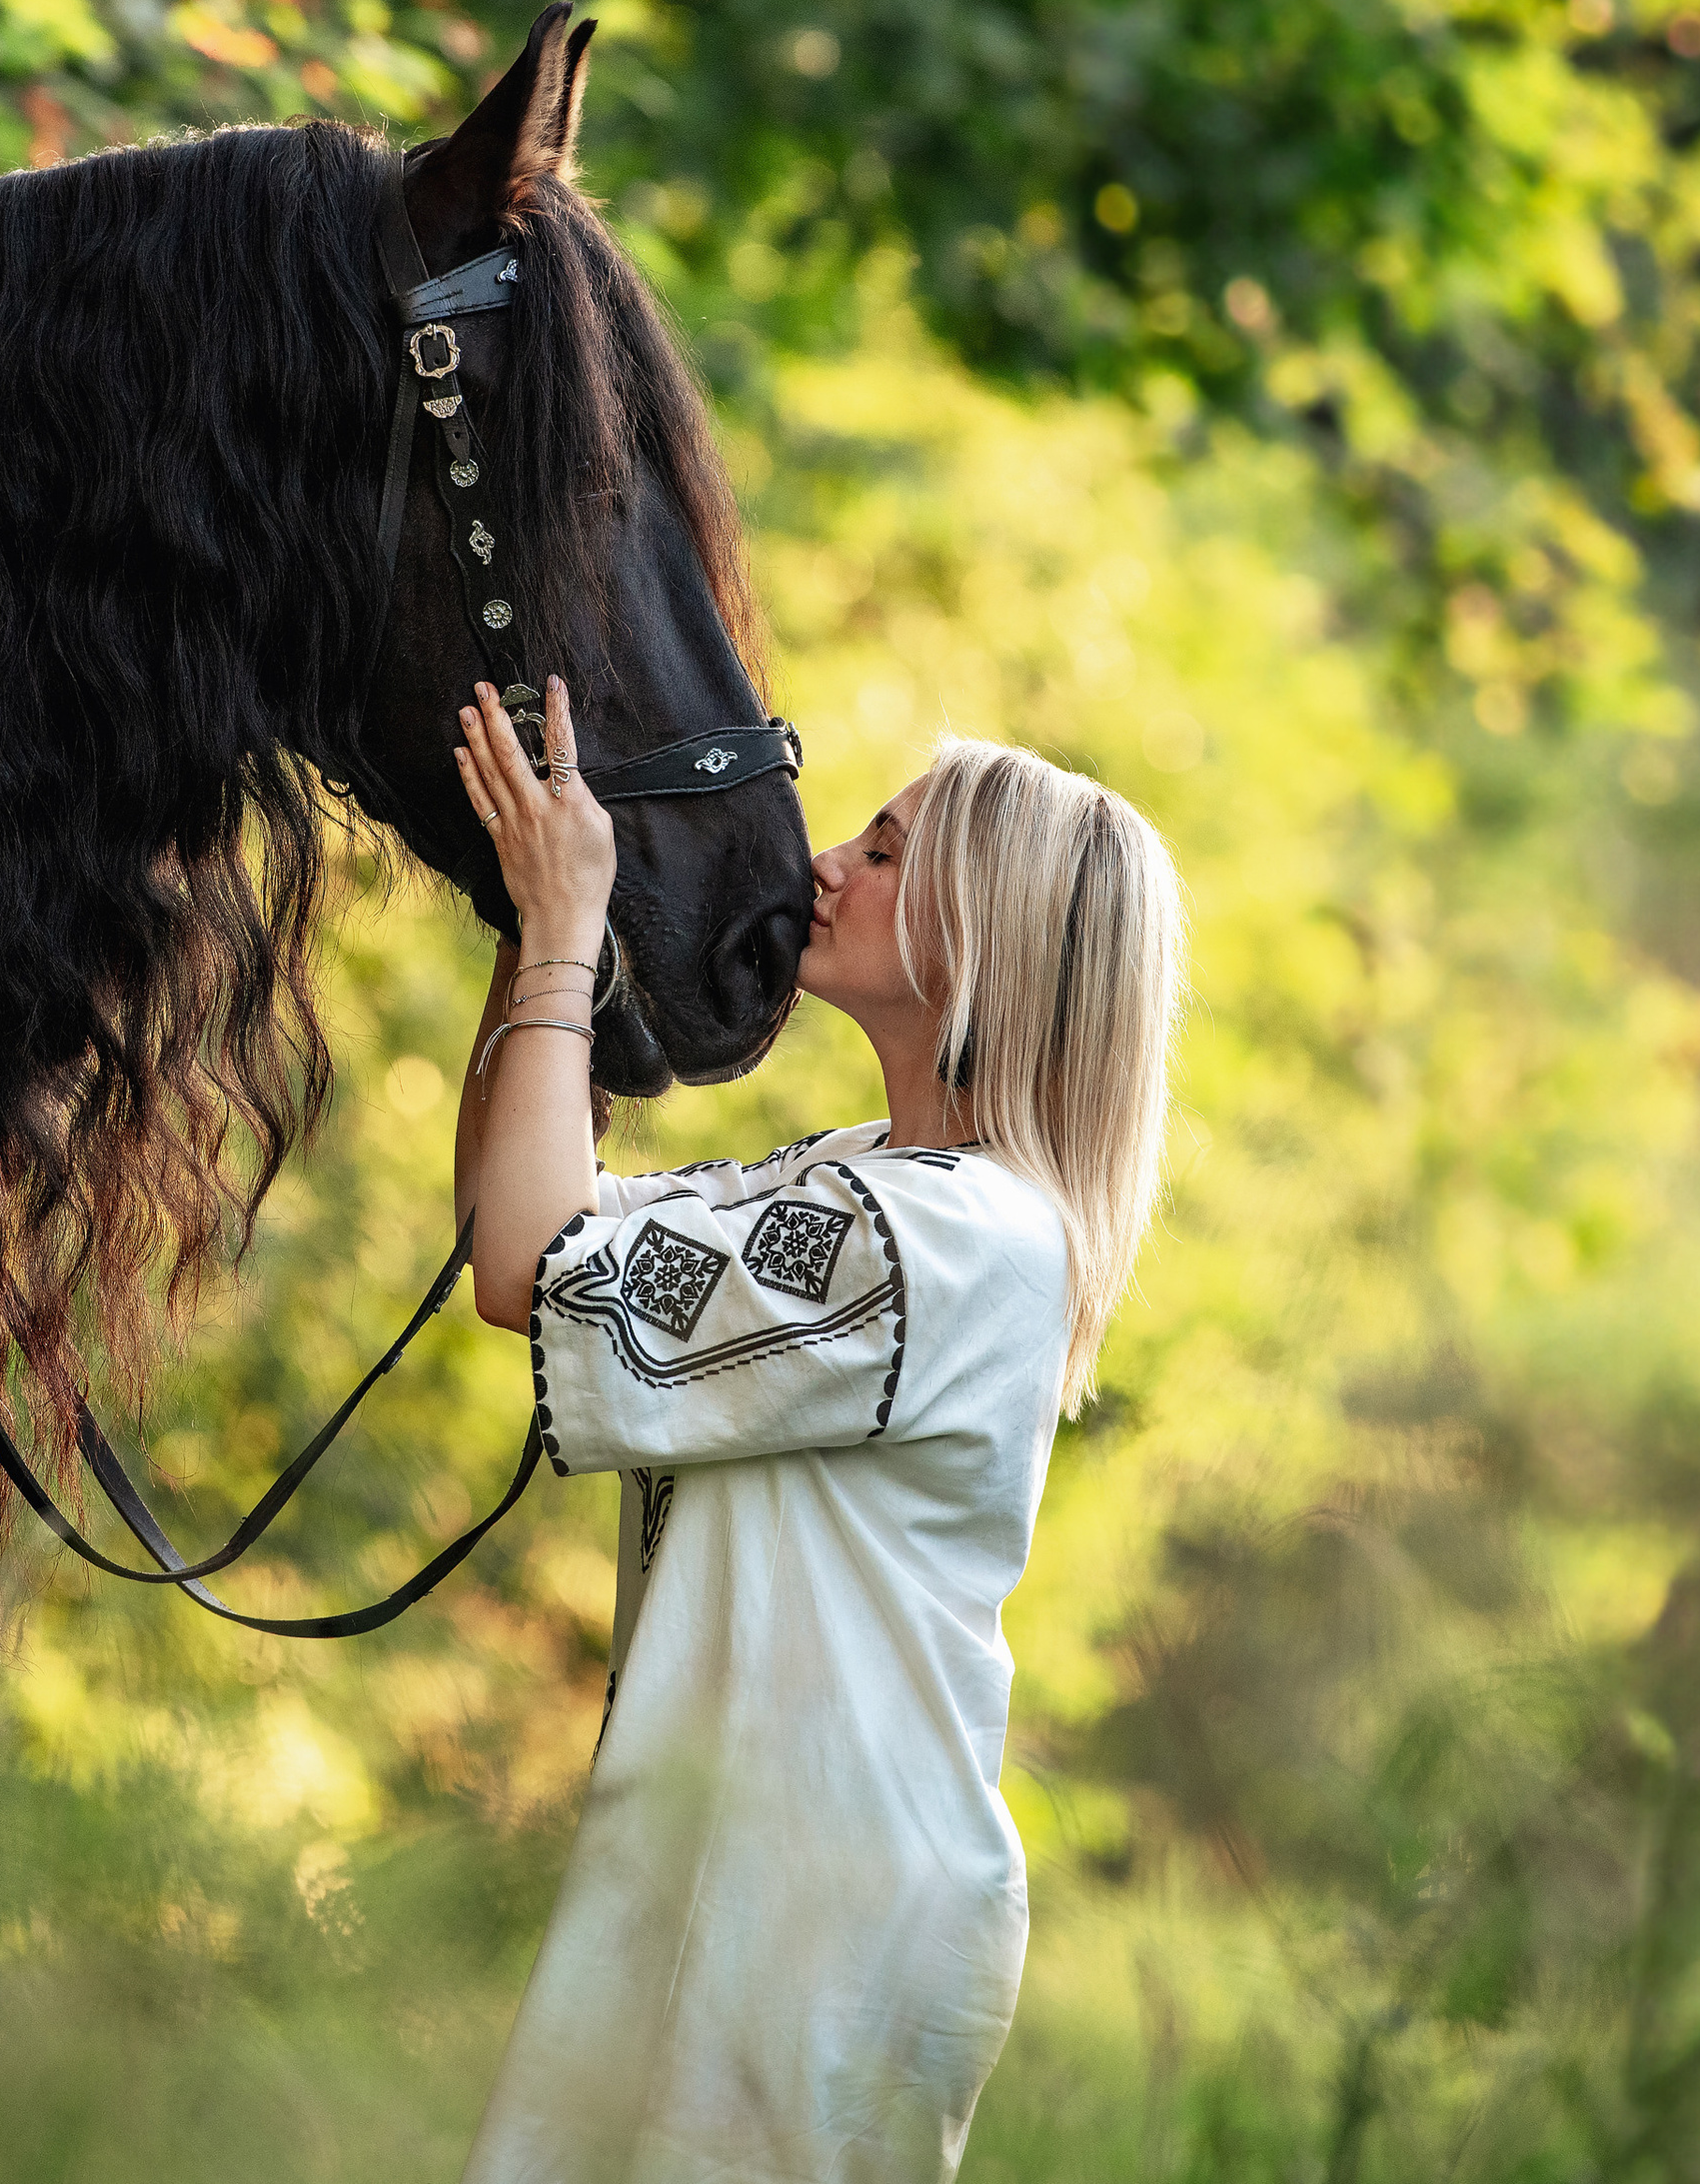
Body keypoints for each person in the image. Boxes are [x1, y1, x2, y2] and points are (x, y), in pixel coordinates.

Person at [448, 675, 1187, 2184]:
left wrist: (567, 935)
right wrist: (540, 930)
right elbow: (521, 1224)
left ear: (994, 934)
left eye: (890, 846)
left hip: (814, 1917)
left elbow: (533, 1270)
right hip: (746, 1876)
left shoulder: (947, 1241)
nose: (825, 865)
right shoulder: (871, 1182)